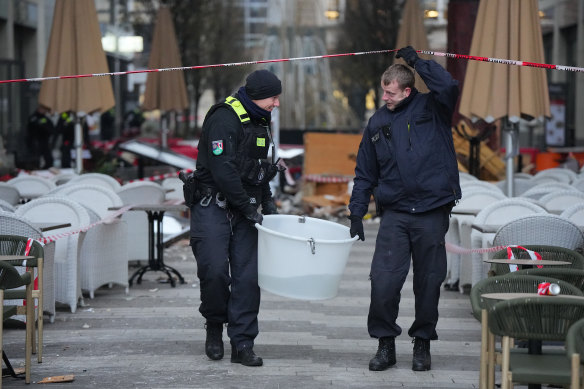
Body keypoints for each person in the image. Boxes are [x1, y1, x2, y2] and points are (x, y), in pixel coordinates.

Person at [348, 46, 461, 372]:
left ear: (407, 89)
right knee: (383, 283)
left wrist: (416, 61)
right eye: (384, 90)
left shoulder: (434, 107)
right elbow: (365, 173)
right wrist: (356, 212)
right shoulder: (378, 122)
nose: (385, 96)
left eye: (390, 91)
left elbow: (448, 86)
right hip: (395, 214)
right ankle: (385, 345)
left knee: (428, 282)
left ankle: (422, 343)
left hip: (431, 211)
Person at [189, 69, 282, 367]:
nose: (277, 103)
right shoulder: (223, 118)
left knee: (246, 280)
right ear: (257, 96)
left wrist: (268, 205)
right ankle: (215, 325)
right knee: (215, 272)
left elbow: (257, 167)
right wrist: (247, 207)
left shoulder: (259, 120)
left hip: (247, 209)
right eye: (273, 97)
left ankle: (243, 343)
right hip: (213, 206)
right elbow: (223, 170)